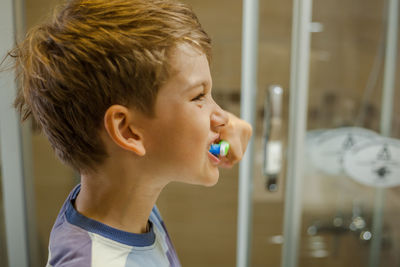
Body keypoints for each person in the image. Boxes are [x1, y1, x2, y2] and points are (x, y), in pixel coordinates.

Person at [10, 0, 252, 266]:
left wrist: (217, 123)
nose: (220, 118)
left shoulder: (121, 203)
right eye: (199, 96)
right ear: (127, 131)